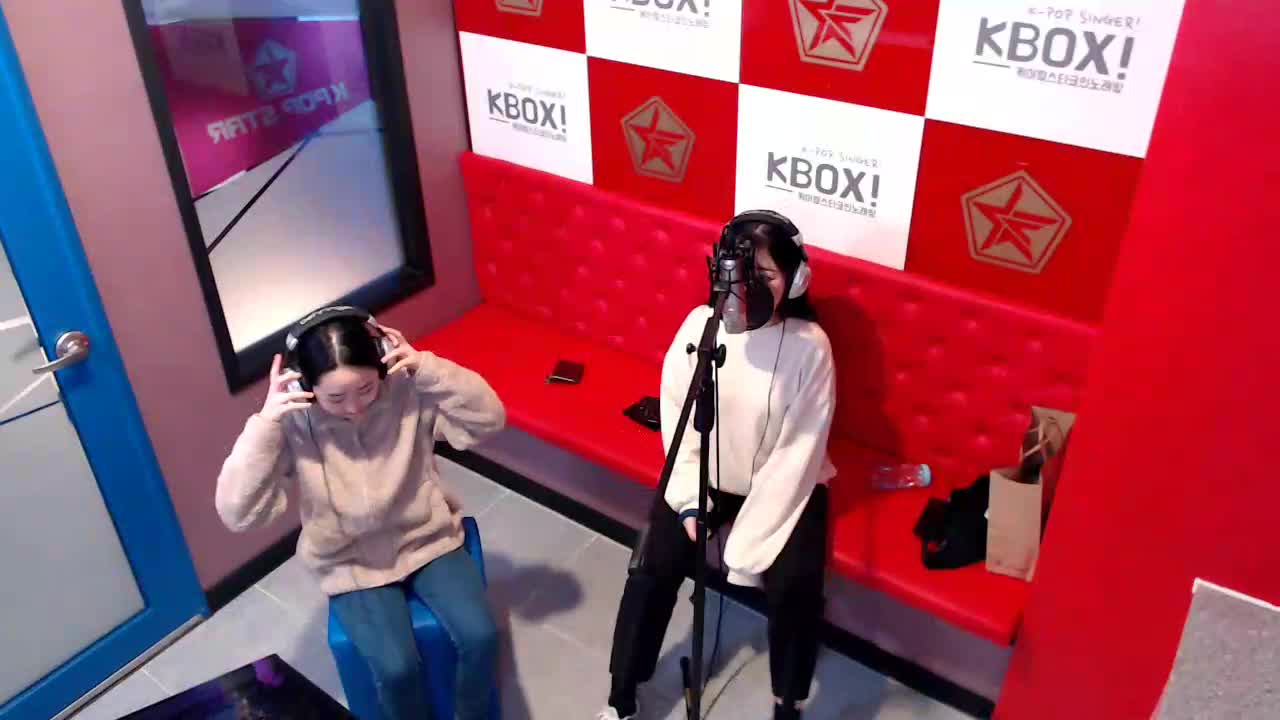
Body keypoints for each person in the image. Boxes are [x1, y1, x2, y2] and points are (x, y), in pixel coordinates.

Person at [598, 211, 838, 720]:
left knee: (795, 585)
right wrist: (691, 502)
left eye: (766, 275)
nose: (749, 287)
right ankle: (621, 694)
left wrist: (746, 544)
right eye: (742, 271)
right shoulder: (699, 328)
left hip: (786, 483)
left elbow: (799, 451)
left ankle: (788, 701)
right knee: (651, 566)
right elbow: (679, 419)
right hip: (706, 474)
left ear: (796, 278)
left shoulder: (811, 348)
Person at [215, 307, 506, 720]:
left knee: (481, 636)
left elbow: (489, 420)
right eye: (335, 397)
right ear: (304, 384)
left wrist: (430, 368)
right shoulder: (294, 421)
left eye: (366, 388)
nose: (354, 407)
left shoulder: (407, 388)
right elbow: (237, 513)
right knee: (397, 670)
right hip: (349, 561)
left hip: (428, 539)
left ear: (383, 363)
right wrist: (264, 425)